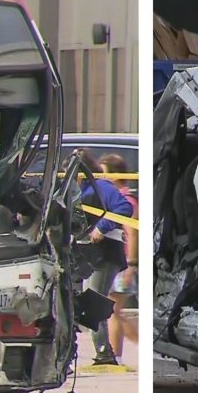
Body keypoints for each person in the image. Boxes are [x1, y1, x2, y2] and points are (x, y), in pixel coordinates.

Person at [75, 149, 134, 366]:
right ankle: (103, 351)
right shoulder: (81, 190)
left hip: (105, 252)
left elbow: (124, 207)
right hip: (89, 254)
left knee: (94, 301)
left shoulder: (102, 187)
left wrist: (103, 226)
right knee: (89, 300)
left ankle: (104, 352)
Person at [98, 153, 139, 364]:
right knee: (115, 311)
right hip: (119, 261)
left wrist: (131, 265)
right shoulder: (116, 196)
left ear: (116, 175)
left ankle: (116, 356)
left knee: (113, 311)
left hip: (121, 263)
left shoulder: (124, 200)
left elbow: (132, 232)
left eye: (103, 173)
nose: (101, 178)